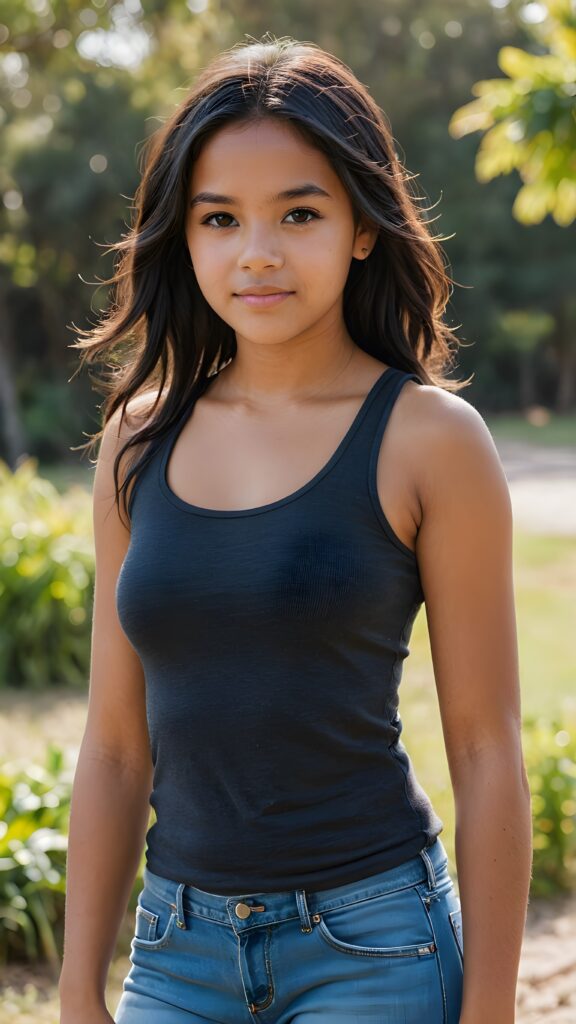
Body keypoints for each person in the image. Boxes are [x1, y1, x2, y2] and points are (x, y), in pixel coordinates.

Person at [58, 35, 532, 1024]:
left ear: (362, 228)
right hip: (175, 952)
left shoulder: (429, 440)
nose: (257, 252)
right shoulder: (135, 442)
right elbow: (111, 747)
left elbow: (487, 749)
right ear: (182, 237)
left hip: (372, 943)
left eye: (300, 214)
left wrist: (490, 1009)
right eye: (220, 217)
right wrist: (75, 991)